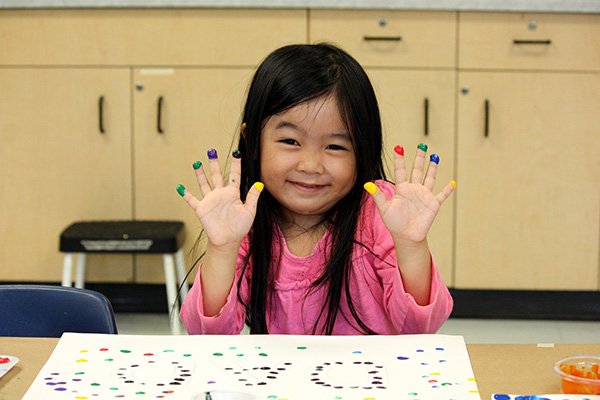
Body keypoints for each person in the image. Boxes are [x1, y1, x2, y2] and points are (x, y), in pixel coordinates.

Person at [177, 43, 456, 335]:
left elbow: (420, 327)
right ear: (252, 140)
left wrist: (411, 246)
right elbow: (208, 335)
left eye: (335, 146)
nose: (311, 165)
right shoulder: (245, 219)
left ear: (363, 150)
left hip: (372, 379)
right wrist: (222, 248)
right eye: (290, 141)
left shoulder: (381, 212)